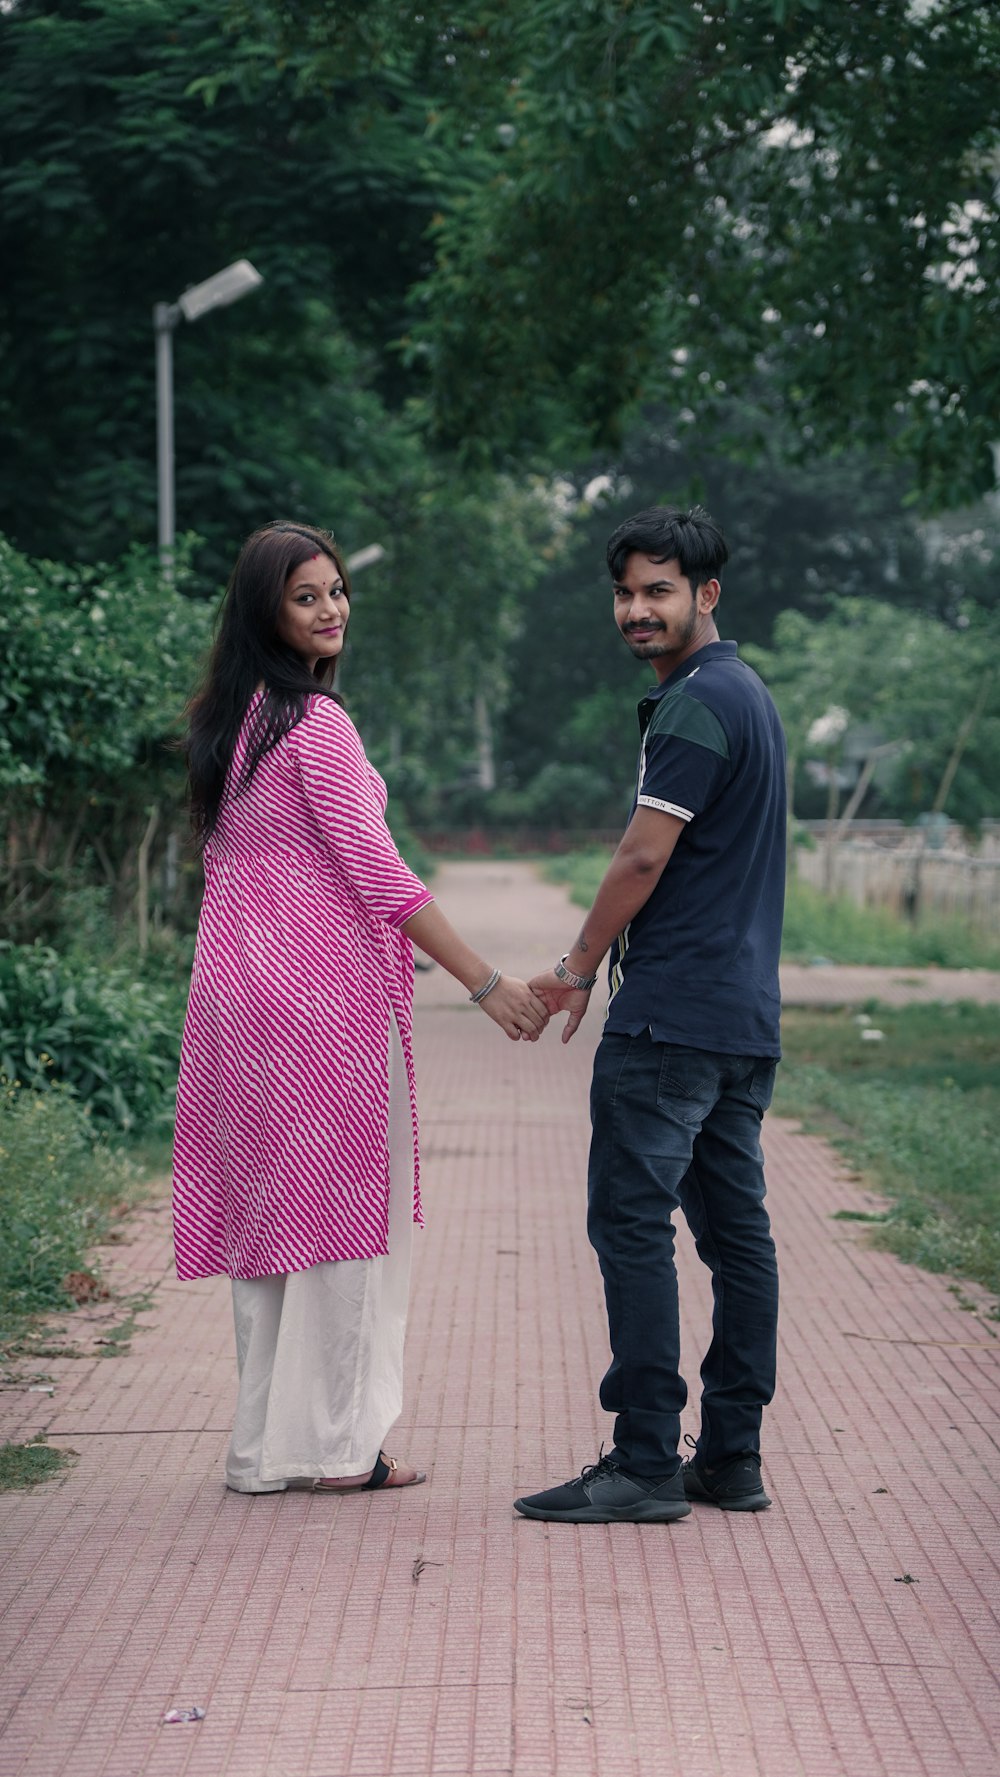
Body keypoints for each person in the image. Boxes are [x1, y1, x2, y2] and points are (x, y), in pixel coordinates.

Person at [172, 520, 548, 1495]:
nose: (333, 608)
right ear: (268, 610)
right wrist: (484, 980)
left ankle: (261, 1447)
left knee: (269, 1224)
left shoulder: (232, 719)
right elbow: (378, 872)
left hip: (234, 1001)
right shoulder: (315, 722)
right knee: (346, 1225)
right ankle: (336, 1449)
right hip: (319, 1004)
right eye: (307, 596)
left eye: (337, 590)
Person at [514, 505, 786, 1525]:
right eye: (625, 591)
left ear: (705, 595)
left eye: (658, 590)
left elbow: (640, 855)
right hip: (740, 1018)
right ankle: (731, 1454)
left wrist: (578, 964)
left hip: (669, 1016)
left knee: (631, 1225)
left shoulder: (695, 706)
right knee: (735, 1236)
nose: (636, 609)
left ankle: (641, 1460)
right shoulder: (746, 696)